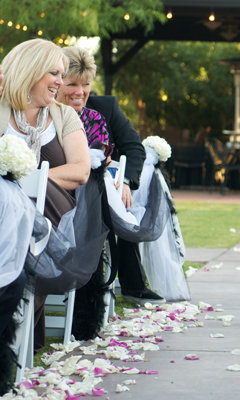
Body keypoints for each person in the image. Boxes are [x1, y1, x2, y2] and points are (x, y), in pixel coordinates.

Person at [0, 38, 90, 351]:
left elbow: (80, 171)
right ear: (31, 69)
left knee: (21, 203)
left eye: (62, 75)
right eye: (54, 73)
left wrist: (29, 182)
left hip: (57, 212)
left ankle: (13, 322)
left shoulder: (64, 116)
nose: (61, 83)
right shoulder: (1, 108)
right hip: (5, 216)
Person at [56, 46, 165, 305]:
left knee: (116, 202)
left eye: (86, 84)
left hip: (102, 187)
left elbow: (133, 146)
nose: (80, 92)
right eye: (72, 84)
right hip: (62, 188)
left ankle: (130, 284)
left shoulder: (105, 108)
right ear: (58, 82)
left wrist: (126, 180)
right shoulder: (43, 111)